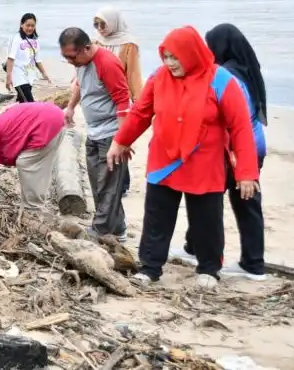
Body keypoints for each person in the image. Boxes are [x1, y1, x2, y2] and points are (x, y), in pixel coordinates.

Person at [107, 26, 259, 291]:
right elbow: (141, 113)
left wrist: (247, 172)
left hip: (205, 164)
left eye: (175, 57)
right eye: (166, 56)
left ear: (191, 54)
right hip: (164, 162)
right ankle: (150, 267)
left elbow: (241, 128)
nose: (169, 63)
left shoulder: (220, 79)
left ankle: (209, 268)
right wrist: (120, 142)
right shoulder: (159, 78)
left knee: (206, 219)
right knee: (157, 217)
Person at [172, 23, 268, 281]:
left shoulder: (227, 75)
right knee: (244, 203)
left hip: (236, 149)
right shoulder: (248, 69)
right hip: (256, 144)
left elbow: (233, 119)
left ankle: (245, 261)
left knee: (208, 199)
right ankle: (252, 262)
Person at [60, 27, 131, 240]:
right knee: (97, 183)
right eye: (66, 58)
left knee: (109, 183)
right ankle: (117, 228)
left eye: (72, 57)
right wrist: (71, 107)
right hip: (93, 130)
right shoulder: (81, 63)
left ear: (87, 48)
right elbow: (80, 85)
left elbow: (123, 101)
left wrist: (122, 140)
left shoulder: (107, 63)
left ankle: (99, 230)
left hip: (111, 132)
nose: (71, 62)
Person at [92, 6, 142, 195]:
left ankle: (122, 183)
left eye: (102, 23)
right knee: (103, 139)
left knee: (119, 138)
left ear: (112, 22)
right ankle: (109, 180)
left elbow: (134, 73)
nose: (99, 28)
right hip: (99, 97)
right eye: (96, 24)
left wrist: (138, 100)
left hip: (120, 97)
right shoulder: (95, 42)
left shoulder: (128, 44)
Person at [5, 13, 50, 103]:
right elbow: (11, 58)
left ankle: (15, 116)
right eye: (27, 25)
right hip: (18, 76)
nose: (30, 28)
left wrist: (44, 73)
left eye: (32, 26)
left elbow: (37, 60)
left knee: (22, 102)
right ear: (22, 25)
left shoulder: (35, 40)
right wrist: (9, 77)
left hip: (29, 76)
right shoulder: (16, 38)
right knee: (29, 103)